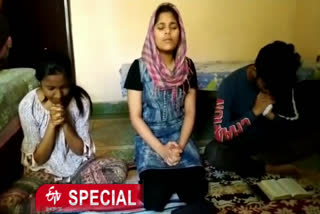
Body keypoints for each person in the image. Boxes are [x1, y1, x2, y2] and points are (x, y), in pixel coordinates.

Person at [124, 3, 210, 212]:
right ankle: (166, 176)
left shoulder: (187, 66)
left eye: (173, 26)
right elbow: (135, 117)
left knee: (197, 193)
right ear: (152, 32)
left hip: (180, 133)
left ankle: (175, 175)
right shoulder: (139, 68)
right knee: (153, 200)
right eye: (161, 27)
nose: (167, 32)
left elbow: (190, 112)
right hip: (151, 136)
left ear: (180, 31)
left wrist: (179, 146)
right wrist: (162, 150)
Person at [205, 41, 320, 177]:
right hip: (243, 143)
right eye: (266, 86)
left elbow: (294, 124)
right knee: (214, 152)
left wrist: (273, 116)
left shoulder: (283, 81)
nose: (270, 90)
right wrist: (254, 112)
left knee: (314, 135)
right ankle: (267, 168)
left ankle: (261, 162)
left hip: (272, 142)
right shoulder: (230, 85)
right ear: (255, 71)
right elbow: (221, 133)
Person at [19, 53, 127, 184]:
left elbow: (80, 151)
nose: (58, 95)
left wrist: (65, 122)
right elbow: (39, 159)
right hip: (44, 172)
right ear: (40, 82)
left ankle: (64, 193)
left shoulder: (81, 101)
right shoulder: (28, 105)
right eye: (50, 88)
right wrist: (52, 125)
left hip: (78, 169)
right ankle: (69, 192)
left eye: (64, 87)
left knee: (117, 169)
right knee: (19, 198)